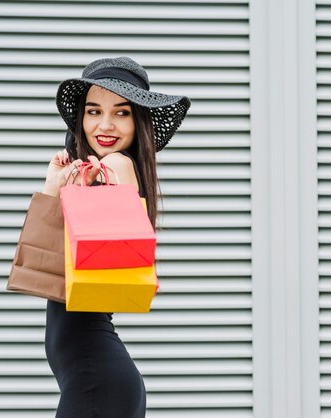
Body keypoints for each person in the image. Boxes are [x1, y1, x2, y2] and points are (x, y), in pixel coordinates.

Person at [41, 56, 190, 418]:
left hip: (99, 382)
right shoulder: (90, 172)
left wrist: (97, 179)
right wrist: (56, 186)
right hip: (95, 382)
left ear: (138, 122)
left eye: (121, 113)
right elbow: (46, 266)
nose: (105, 124)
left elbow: (120, 257)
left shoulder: (117, 166)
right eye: (93, 111)